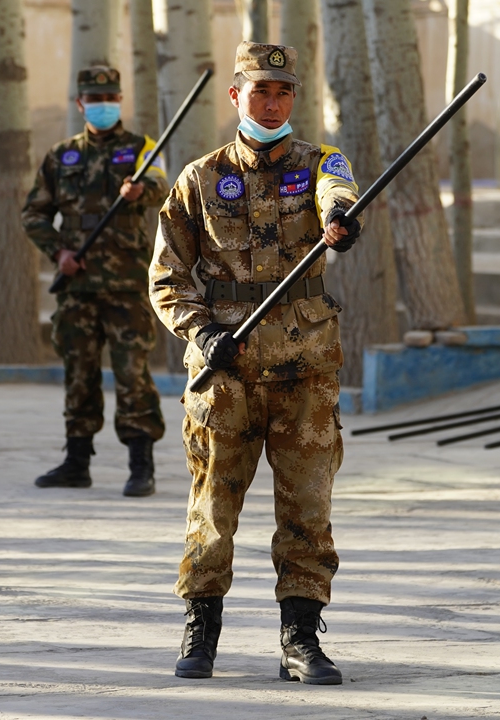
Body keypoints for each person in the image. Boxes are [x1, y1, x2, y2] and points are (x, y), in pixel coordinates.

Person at [149, 41, 360, 685]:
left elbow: (339, 190)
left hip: (305, 370)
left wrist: (338, 217)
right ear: (237, 96)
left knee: (307, 509)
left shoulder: (321, 162)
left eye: (284, 92)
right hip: (226, 370)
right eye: (261, 91)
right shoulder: (199, 177)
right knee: (213, 504)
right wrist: (202, 332)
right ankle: (201, 629)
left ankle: (300, 638)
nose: (273, 103)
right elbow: (166, 277)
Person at [22, 66, 169, 497]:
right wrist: (58, 252)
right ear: (80, 103)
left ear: (120, 100)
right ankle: (76, 461)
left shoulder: (141, 149)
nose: (104, 104)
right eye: (95, 98)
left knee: (133, 374)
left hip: (126, 284)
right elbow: (34, 213)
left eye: (111, 97)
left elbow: (161, 184)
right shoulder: (60, 156)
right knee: (79, 374)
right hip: (78, 285)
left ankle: (141, 465)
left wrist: (141, 192)